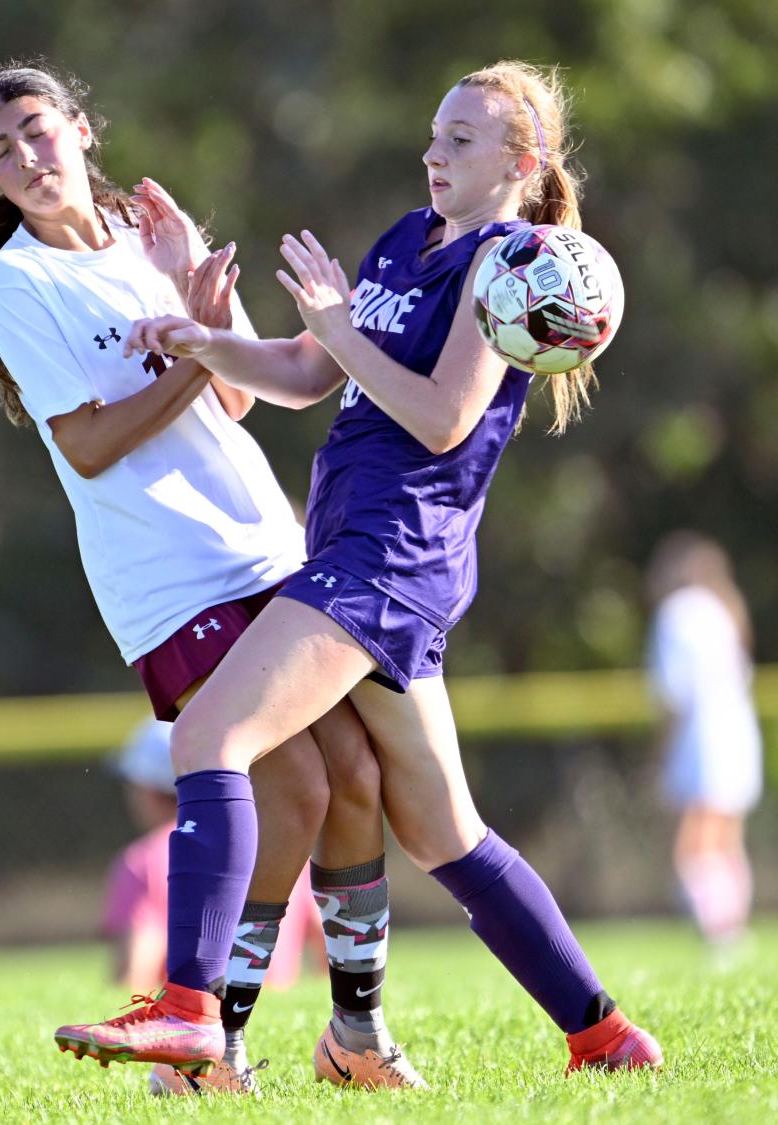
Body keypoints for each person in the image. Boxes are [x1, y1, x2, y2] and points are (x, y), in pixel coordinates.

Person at [56, 59, 664, 1077]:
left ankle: (191, 1011)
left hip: (387, 562)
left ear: (521, 161)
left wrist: (340, 327)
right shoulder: (406, 240)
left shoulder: (508, 264)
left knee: (209, 736)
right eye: (434, 132)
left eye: (462, 139)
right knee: (445, 834)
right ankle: (604, 1035)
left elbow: (440, 418)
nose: (434, 151)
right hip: (362, 559)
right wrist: (207, 341)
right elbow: (303, 374)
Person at [0, 63, 420, 1094]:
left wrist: (207, 315)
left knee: (354, 781)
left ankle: (355, 1035)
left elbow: (241, 401)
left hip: (264, 544)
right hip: (171, 575)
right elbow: (86, 445)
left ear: (80, 129)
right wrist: (205, 354)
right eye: (0, 151)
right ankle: (204, 1050)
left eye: (38, 132)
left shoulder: (144, 231)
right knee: (291, 787)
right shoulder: (20, 282)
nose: (28, 159)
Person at [103, 718, 324, 1002]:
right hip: (265, 1001)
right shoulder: (269, 846)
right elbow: (325, 945)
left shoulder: (144, 859)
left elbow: (134, 974)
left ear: (149, 790)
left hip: (198, 1012)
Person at [645, 530, 763, 950]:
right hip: (739, 732)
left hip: (701, 738)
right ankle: (732, 925)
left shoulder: (676, 614)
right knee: (726, 835)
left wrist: (661, 751)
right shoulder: (723, 609)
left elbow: (674, 693)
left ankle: (719, 931)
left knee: (695, 841)